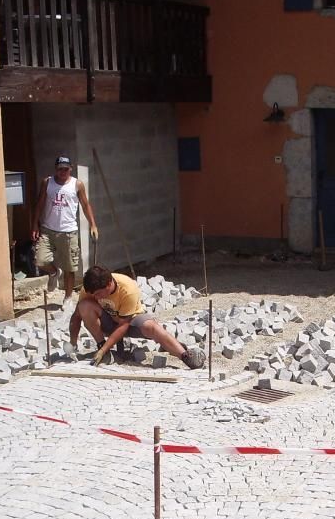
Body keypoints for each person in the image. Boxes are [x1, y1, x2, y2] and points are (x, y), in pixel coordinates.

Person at [71, 265, 206, 370]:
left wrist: (102, 350)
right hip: (107, 322)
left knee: (151, 327)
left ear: (108, 284)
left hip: (129, 323)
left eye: (99, 294)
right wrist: (72, 345)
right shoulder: (90, 289)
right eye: (94, 295)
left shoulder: (128, 288)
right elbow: (76, 317)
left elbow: (123, 326)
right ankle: (104, 352)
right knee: (84, 306)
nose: (96, 297)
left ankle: (185, 356)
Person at [31, 155, 99, 306]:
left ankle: (68, 298)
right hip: (48, 229)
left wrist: (92, 224)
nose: (63, 172)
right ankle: (54, 272)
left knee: (70, 266)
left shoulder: (77, 184)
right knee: (40, 259)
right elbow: (40, 203)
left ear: (71, 169)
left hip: (68, 231)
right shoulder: (47, 182)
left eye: (66, 169)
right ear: (56, 169)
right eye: (60, 169)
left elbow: (86, 205)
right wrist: (35, 224)